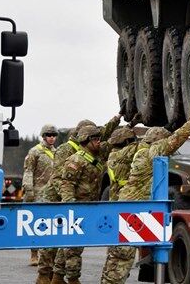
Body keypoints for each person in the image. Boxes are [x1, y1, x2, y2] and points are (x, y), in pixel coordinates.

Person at [100, 108, 190, 284]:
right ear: (156, 142)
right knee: (123, 256)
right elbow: (174, 141)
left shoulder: (135, 152)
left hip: (125, 203)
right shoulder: (150, 152)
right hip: (131, 210)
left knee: (115, 255)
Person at [38, 115, 121, 284]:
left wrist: (119, 117)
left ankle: (58, 276)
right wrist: (69, 203)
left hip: (80, 202)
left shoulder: (92, 151)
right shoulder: (67, 151)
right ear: (83, 136)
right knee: (51, 241)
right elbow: (60, 180)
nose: (99, 141)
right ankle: (44, 275)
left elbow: (107, 134)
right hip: (56, 200)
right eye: (95, 138)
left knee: (69, 243)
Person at [23, 124, 57, 266]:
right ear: (43, 136)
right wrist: (29, 189)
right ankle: (34, 254)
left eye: (54, 135)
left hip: (52, 193)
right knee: (36, 224)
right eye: (49, 135)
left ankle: (48, 255)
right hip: (37, 192)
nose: (52, 138)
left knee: (50, 224)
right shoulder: (35, 152)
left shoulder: (57, 152)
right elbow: (28, 170)